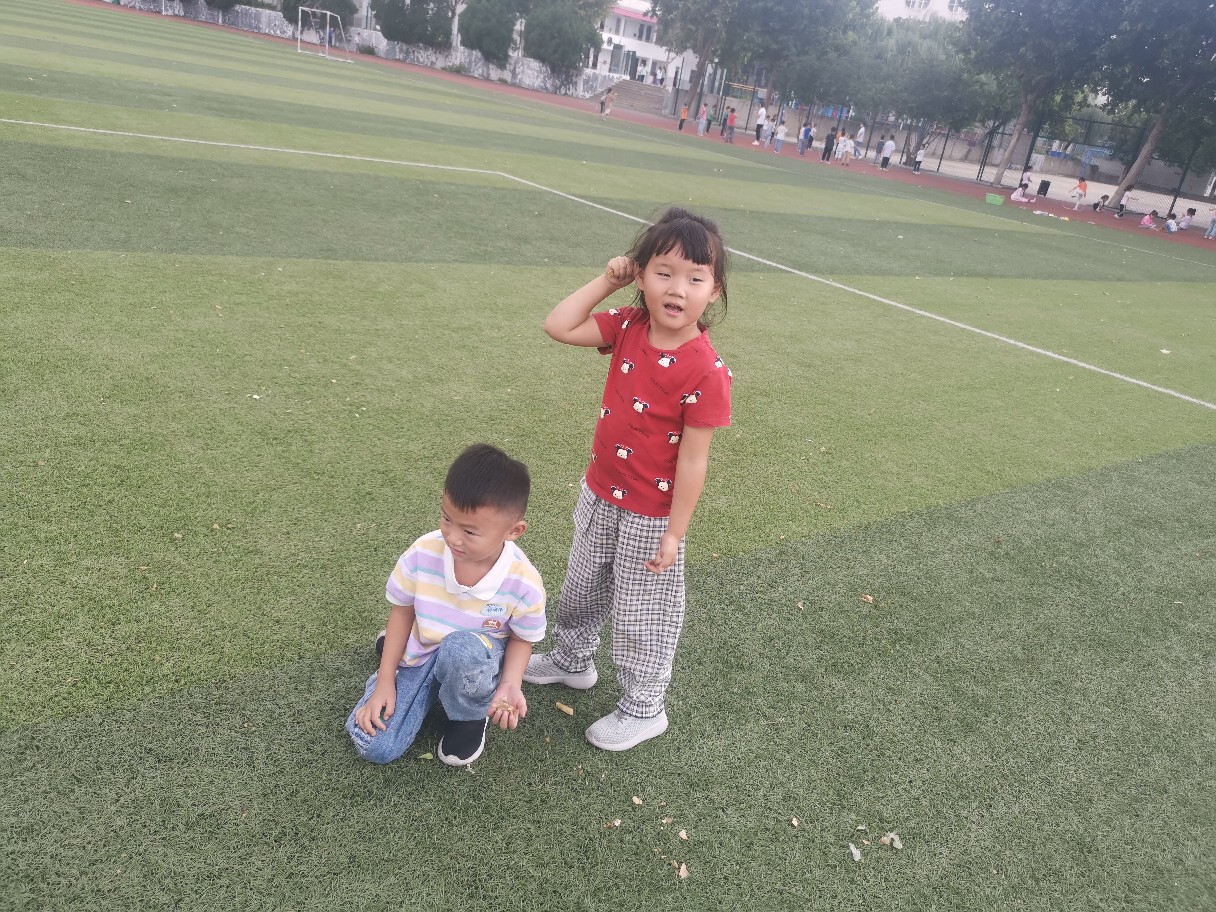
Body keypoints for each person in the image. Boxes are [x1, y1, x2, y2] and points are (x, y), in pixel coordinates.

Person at [525, 208, 733, 752]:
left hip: (652, 515)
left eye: (695, 278)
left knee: (643, 614)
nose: (677, 288)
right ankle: (572, 660)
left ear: (714, 291)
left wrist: (675, 532)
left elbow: (694, 462)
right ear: (640, 276)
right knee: (581, 587)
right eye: (663, 272)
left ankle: (644, 708)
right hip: (600, 493)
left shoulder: (706, 370)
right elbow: (558, 325)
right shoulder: (628, 326)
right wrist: (607, 280)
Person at [346, 444, 547, 767]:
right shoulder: (423, 551)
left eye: (469, 531)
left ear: (514, 531)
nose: (453, 537)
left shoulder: (524, 582)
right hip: (424, 645)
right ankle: (396, 656)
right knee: (375, 746)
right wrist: (385, 679)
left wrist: (510, 682)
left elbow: (523, 639)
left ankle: (469, 716)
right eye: (446, 518)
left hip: (474, 658)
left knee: (460, 650)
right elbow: (402, 611)